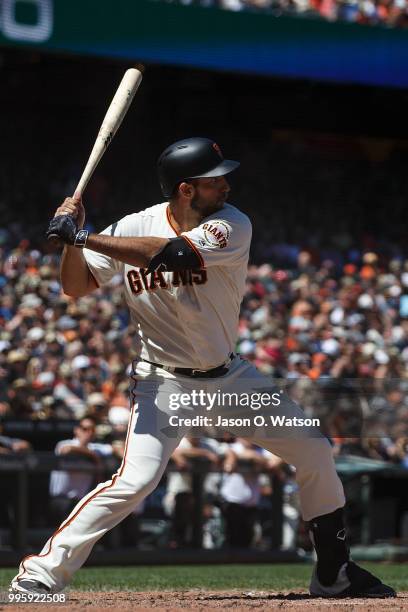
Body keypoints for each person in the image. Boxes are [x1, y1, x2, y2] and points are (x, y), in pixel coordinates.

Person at [11, 137, 395, 598]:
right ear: (186, 189)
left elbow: (173, 255)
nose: (227, 187)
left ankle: (335, 574)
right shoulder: (135, 224)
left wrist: (83, 236)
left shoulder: (232, 224)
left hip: (228, 377)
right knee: (135, 481)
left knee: (314, 450)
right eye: (215, 180)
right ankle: (41, 573)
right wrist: (71, 240)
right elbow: (76, 286)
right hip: (163, 382)